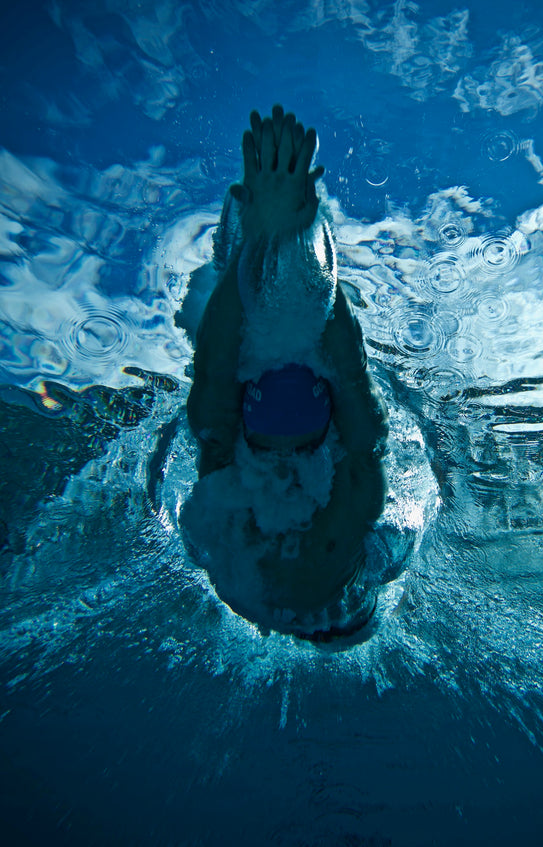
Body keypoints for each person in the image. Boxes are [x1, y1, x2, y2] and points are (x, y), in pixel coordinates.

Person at [182, 105, 388, 640]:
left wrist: (300, 243)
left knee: (356, 433)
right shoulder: (254, 587)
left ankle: (274, 243)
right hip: (265, 479)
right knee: (213, 428)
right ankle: (261, 246)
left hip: (304, 435)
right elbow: (212, 410)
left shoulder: (347, 554)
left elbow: (356, 398)